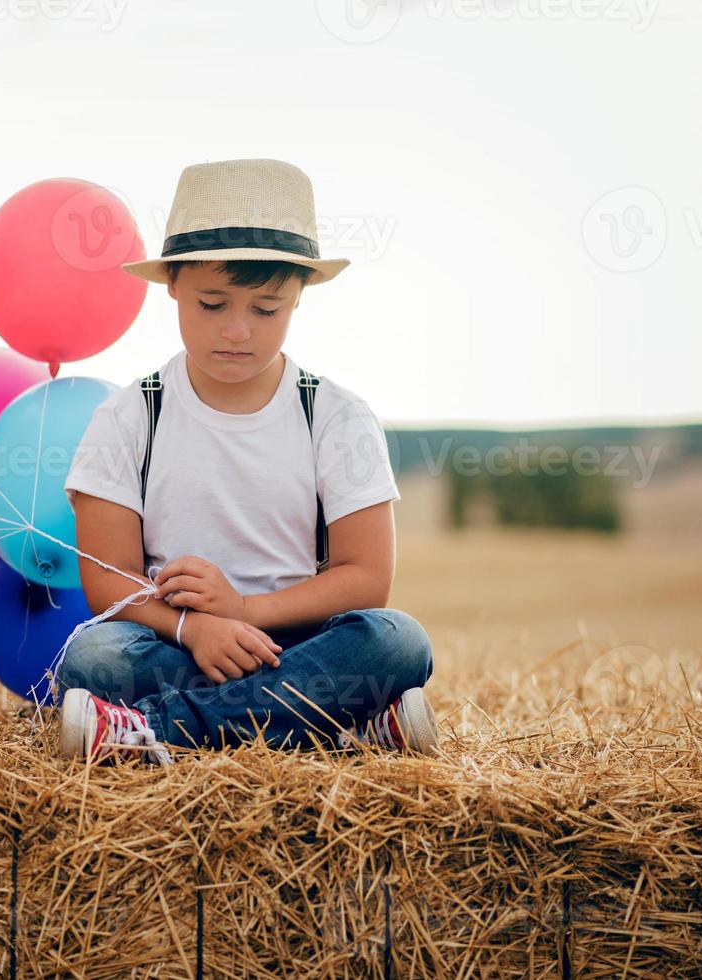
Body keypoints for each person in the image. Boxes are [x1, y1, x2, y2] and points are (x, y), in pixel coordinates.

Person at [54, 159, 438, 766]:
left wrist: (243, 611)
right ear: (173, 285)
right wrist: (196, 628)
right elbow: (109, 579)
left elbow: (367, 577)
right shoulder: (129, 417)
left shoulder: (336, 416)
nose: (238, 331)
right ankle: (332, 731)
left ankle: (156, 730)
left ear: (299, 297)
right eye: (212, 303)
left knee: (396, 643)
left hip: (301, 642)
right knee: (93, 657)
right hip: (174, 640)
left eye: (266, 310)